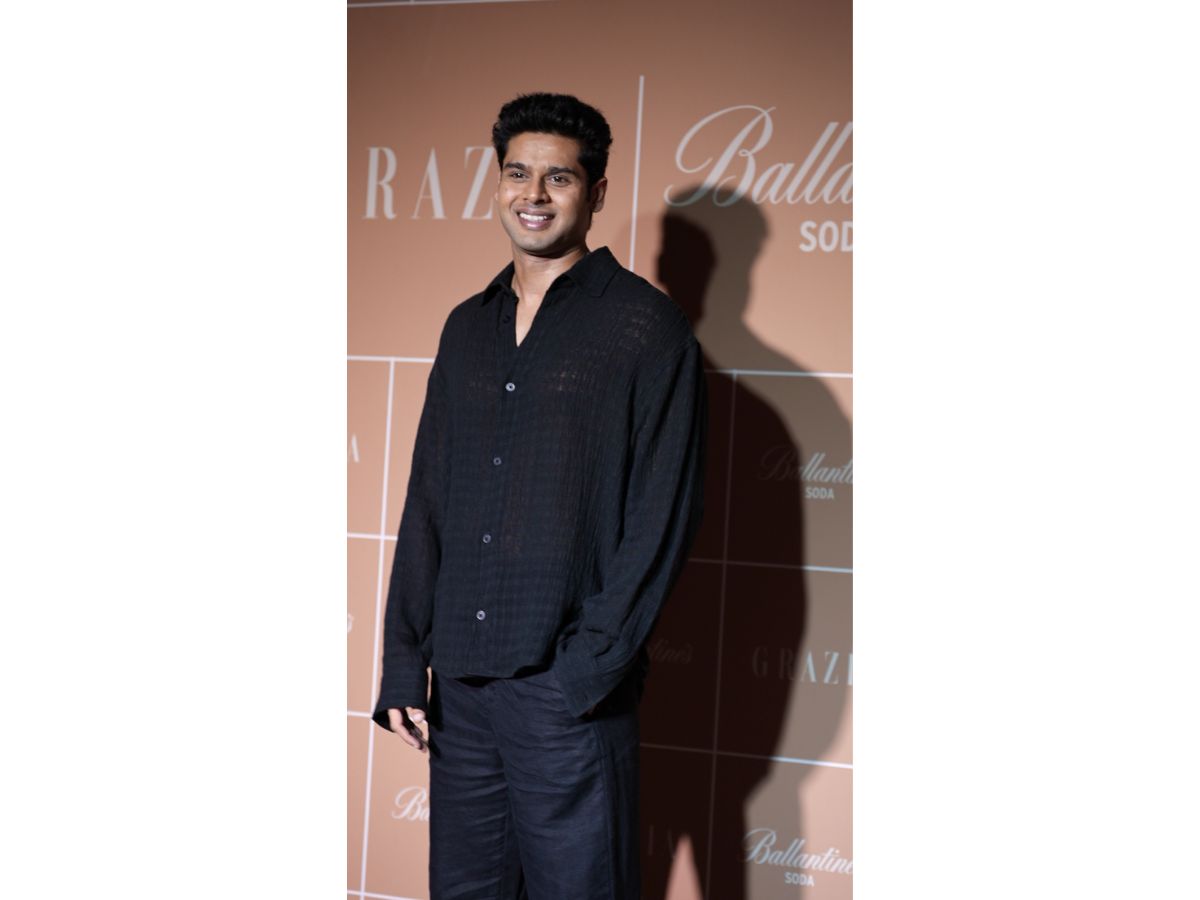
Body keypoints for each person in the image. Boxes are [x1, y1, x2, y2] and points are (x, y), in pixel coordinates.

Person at [372, 91, 708, 900]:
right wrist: (404, 661)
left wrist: (584, 672)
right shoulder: (467, 327)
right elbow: (428, 497)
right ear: (497, 183)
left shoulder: (645, 328)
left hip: (567, 693)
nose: (534, 194)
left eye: (559, 177)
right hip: (461, 691)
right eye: (517, 173)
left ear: (595, 192)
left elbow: (661, 517)